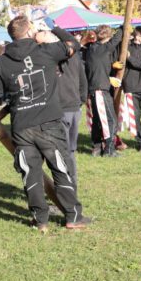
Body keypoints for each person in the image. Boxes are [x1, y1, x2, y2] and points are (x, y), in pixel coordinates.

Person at [0, 16, 89, 232]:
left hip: (22, 125)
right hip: (48, 122)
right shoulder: (46, 51)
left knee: (31, 173)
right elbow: (73, 45)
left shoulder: (2, 61)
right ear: (30, 32)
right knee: (61, 168)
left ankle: (40, 221)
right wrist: (53, 28)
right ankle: (73, 217)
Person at [83, 24, 123, 157]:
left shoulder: (91, 49)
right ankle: (109, 150)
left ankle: (96, 148)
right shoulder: (104, 48)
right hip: (100, 88)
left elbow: (99, 64)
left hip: (95, 88)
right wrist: (123, 28)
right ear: (108, 35)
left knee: (98, 120)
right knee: (110, 119)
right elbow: (117, 39)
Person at [55, 29, 87, 184]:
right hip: (74, 107)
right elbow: (83, 81)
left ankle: (67, 187)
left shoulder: (57, 58)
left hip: (65, 108)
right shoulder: (76, 57)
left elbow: (82, 80)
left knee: (64, 151)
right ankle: (70, 185)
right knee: (69, 150)